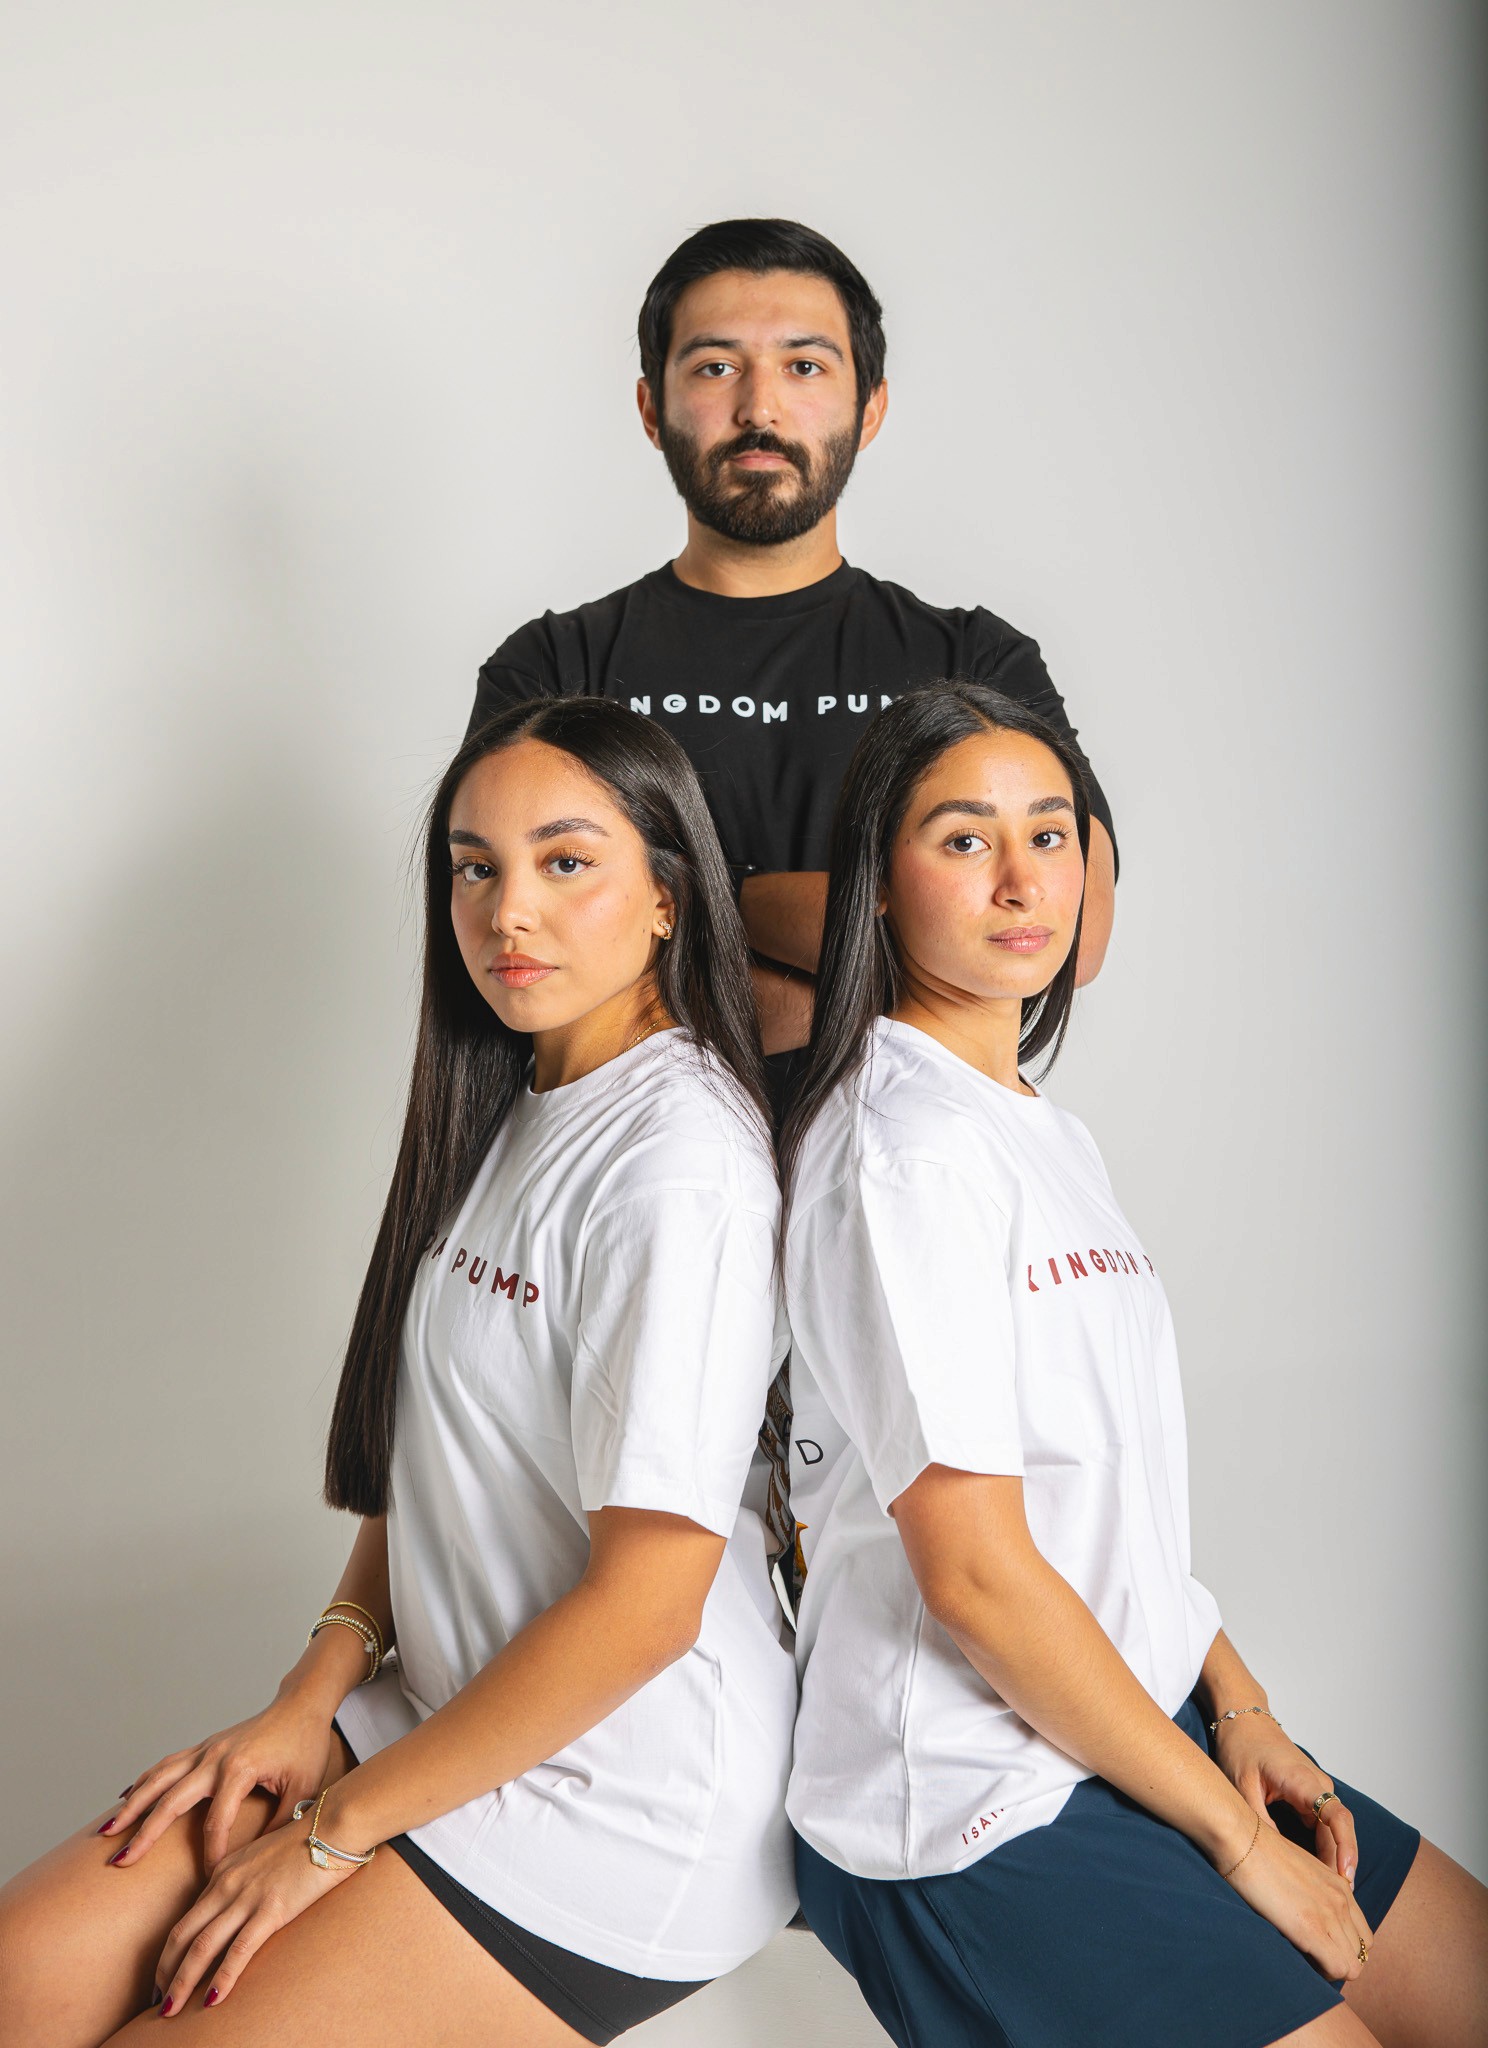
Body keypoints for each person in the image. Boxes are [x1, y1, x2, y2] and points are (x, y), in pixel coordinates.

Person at [0, 699, 797, 2046]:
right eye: (475, 867)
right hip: (435, 1710)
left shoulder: (681, 1165)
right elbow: (439, 1464)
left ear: (668, 897)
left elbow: (648, 1611)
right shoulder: (515, 1103)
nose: (507, 911)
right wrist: (307, 1700)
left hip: (622, 1801)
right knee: (23, 1974)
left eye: (565, 861)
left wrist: (330, 1833)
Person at [778, 681, 1487, 2048]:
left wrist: (1240, 1702)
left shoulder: (1037, 1129)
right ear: (877, 880)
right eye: (965, 838)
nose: (1020, 878)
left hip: (1132, 1721)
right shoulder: (902, 1154)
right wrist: (1240, 1843)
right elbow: (979, 1577)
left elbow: (1096, 1492)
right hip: (975, 1800)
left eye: (1049, 834)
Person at [467, 217, 1120, 1062]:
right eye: (715, 366)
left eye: (804, 366)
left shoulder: (975, 661)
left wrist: (704, 898)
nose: (760, 408)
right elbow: (523, 956)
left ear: (870, 408)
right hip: (634, 1139)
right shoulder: (554, 668)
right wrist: (908, 960)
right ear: (652, 408)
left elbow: (1069, 937)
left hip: (908, 1141)